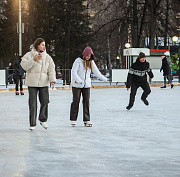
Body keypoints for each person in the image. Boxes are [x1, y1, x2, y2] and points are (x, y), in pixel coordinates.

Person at [21, 38, 56, 131]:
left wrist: (52, 80)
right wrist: (33, 60)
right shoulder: (28, 55)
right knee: (32, 103)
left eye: (44, 45)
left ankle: (43, 119)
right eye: (42, 45)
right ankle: (32, 123)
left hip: (43, 82)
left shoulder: (48, 57)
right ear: (37, 45)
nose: (44, 46)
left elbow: (51, 69)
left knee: (45, 101)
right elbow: (24, 66)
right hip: (32, 82)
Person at [70, 46, 108, 127]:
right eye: (87, 56)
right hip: (77, 85)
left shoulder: (91, 62)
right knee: (76, 101)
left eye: (89, 56)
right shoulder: (78, 61)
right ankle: (73, 119)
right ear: (84, 54)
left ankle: (86, 119)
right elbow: (73, 72)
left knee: (86, 101)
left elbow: (96, 72)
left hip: (86, 85)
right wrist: (79, 80)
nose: (88, 57)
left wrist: (104, 79)